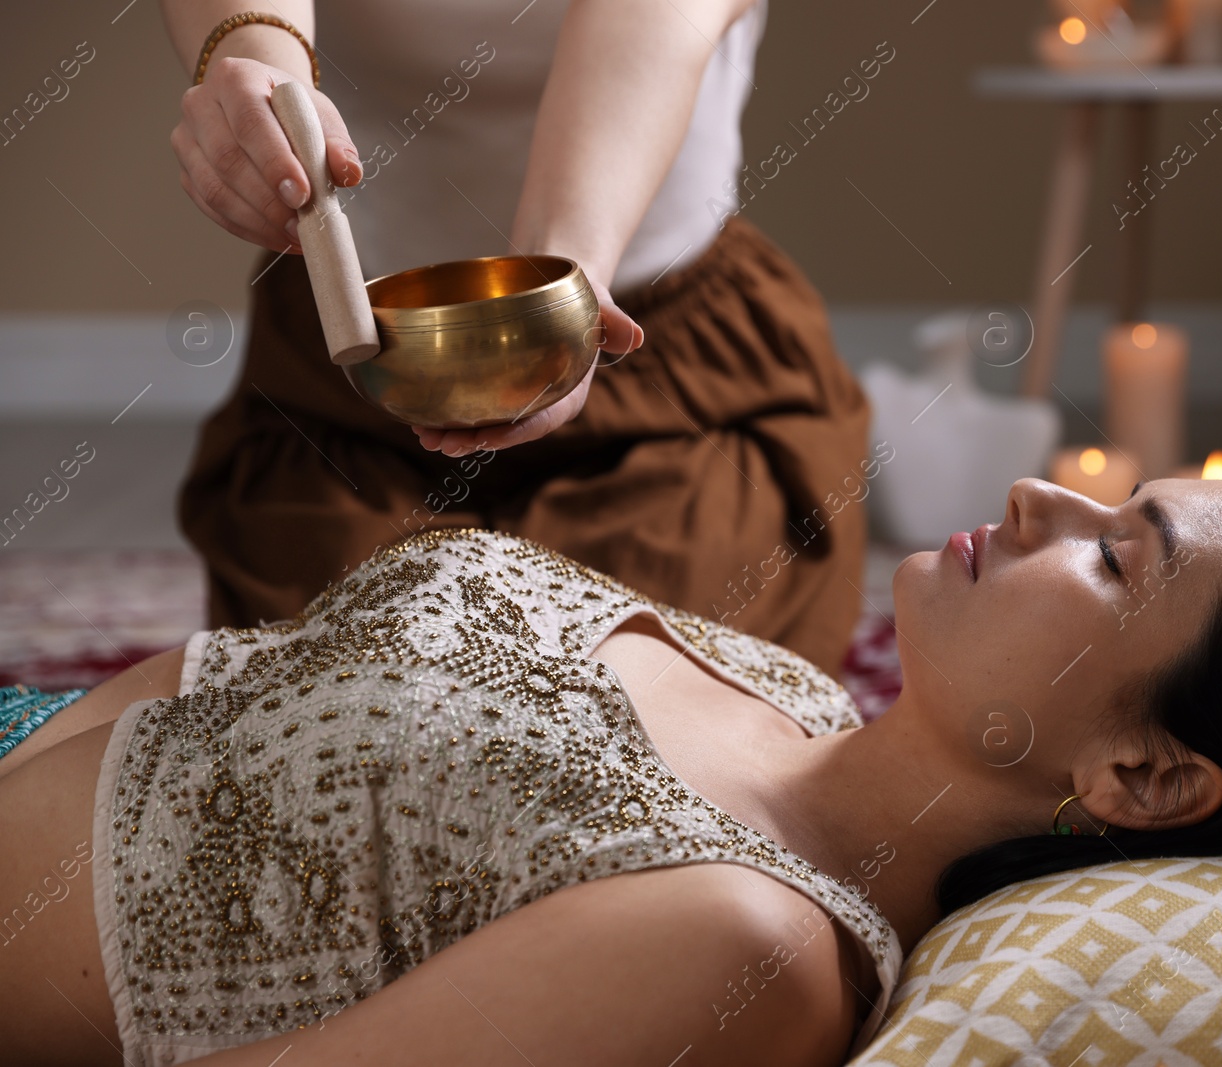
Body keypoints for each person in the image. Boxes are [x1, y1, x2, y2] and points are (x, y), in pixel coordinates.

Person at [0, 472, 1222, 1066]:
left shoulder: (747, 945)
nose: (1046, 491)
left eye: (1119, 554)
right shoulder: (782, 688)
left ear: (1144, 774)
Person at [160, 0, 871, 676]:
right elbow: (262, 49)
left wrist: (561, 291)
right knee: (350, 682)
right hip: (356, 385)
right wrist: (255, 76)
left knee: (635, 680)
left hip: (668, 374)